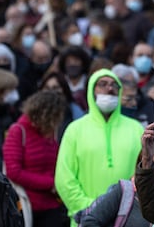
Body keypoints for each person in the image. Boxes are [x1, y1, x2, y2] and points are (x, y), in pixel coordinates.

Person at [55, 69, 144, 227]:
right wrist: (92, 209)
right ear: (91, 91)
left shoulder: (136, 129)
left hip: (127, 218)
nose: (109, 89)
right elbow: (64, 178)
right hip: (85, 217)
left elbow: (144, 173)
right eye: (102, 84)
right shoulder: (75, 130)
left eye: (114, 85)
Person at [3, 91, 68, 227]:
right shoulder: (18, 131)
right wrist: (51, 183)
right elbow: (14, 171)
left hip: (52, 206)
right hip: (27, 204)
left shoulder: (50, 133)